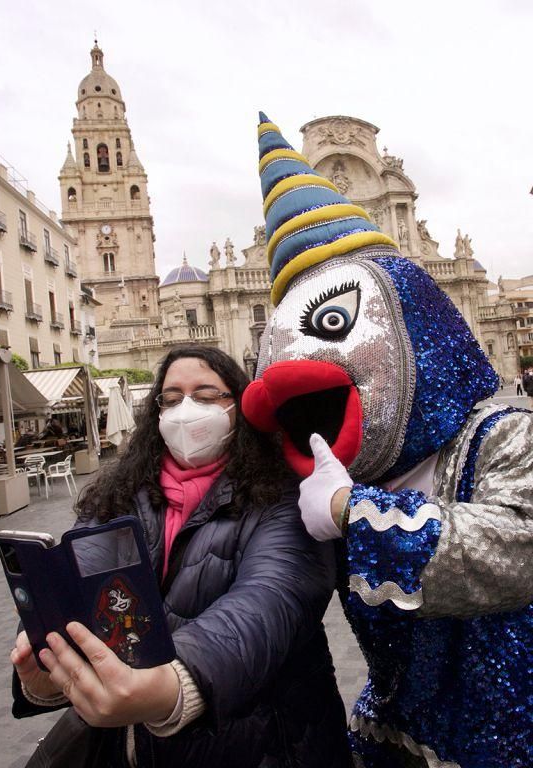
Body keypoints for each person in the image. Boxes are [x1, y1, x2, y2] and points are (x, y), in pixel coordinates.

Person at [242, 114, 533, 768]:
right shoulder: (323, 472)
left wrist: (353, 513)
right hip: (390, 740)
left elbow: (515, 547)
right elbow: (256, 592)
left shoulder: (502, 437)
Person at [11, 345, 351, 767]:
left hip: (263, 742)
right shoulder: (119, 493)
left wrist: (174, 686)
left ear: (238, 407)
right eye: (171, 400)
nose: (186, 410)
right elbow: (85, 591)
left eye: (206, 397)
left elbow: (269, 601)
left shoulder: (285, 497)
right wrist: (53, 667)